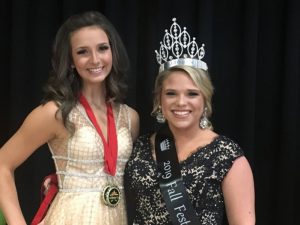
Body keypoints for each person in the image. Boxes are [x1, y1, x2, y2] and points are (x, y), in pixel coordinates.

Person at [0, 10, 139, 225]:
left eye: (102, 48)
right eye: (83, 51)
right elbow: (2, 163)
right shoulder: (54, 113)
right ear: (71, 60)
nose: (95, 59)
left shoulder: (130, 118)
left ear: (113, 51)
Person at [124, 18, 255, 225]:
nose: (181, 102)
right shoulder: (139, 148)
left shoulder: (226, 155)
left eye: (192, 94)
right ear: (159, 99)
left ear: (205, 98)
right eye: (171, 93)